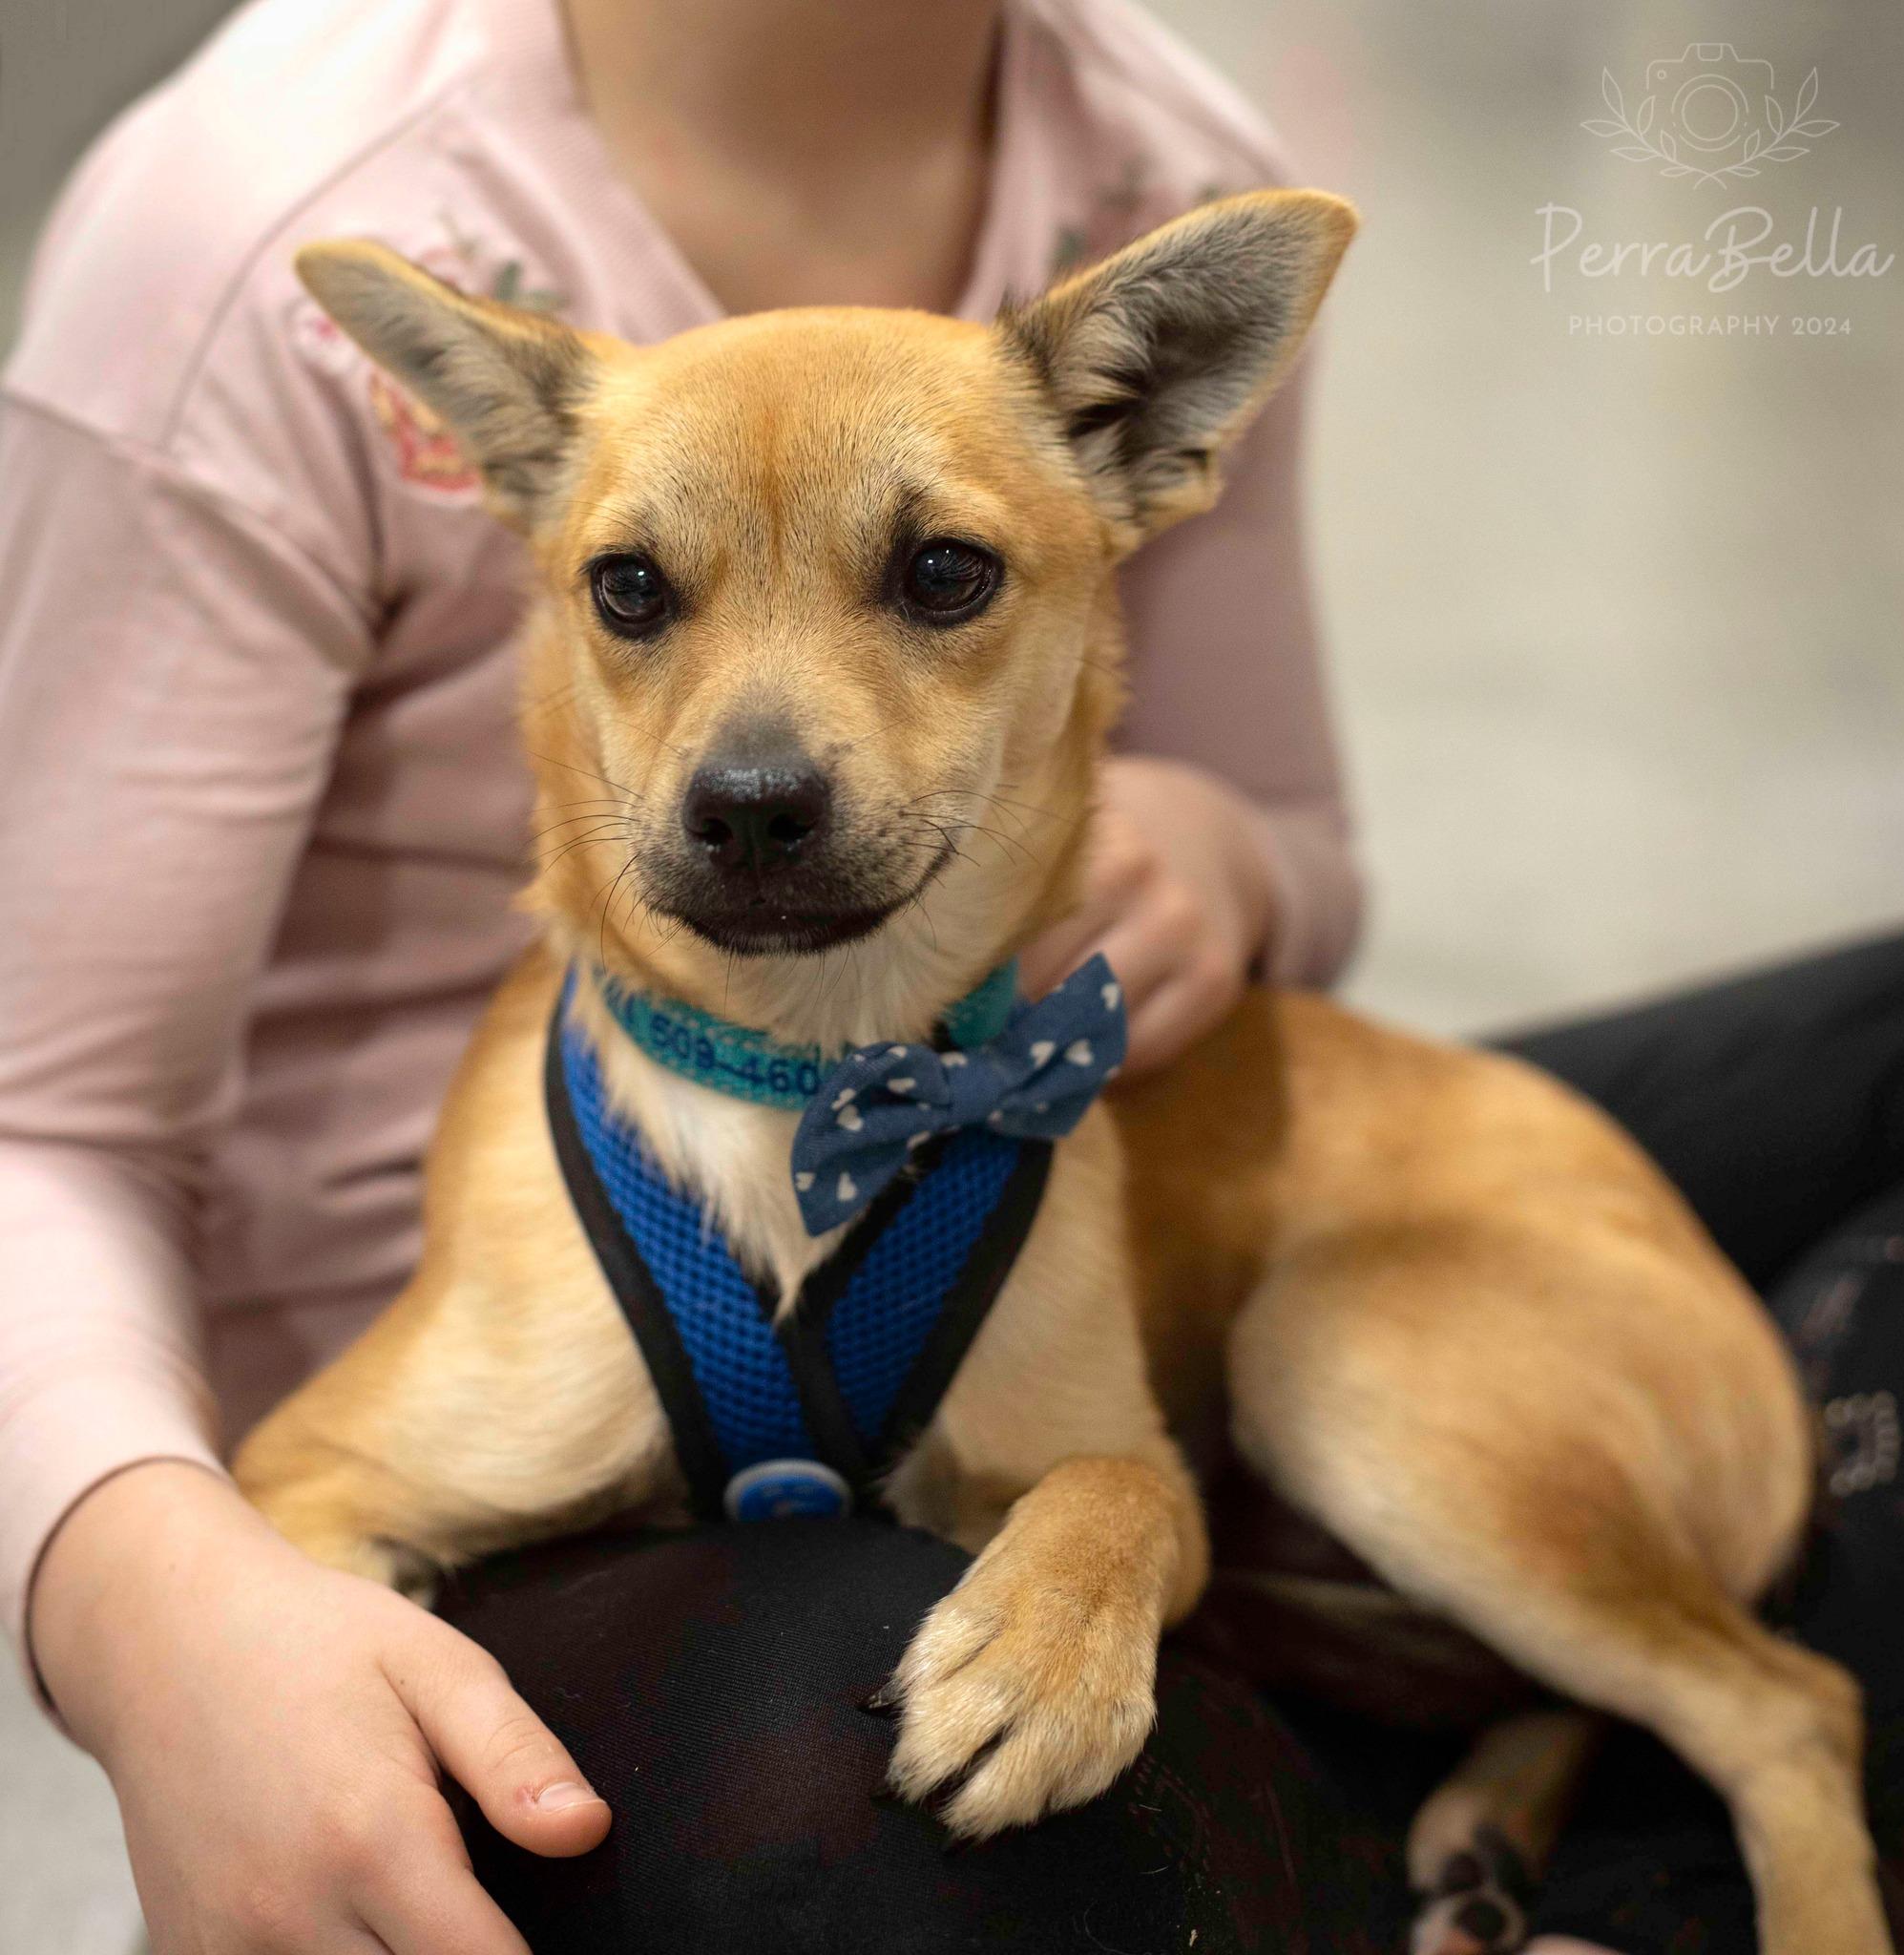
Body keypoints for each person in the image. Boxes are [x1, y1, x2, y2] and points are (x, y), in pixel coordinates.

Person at [1, 1, 1361, 1950]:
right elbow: (38, 1110)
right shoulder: (241, 229)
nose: (757, 770)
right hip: (526, 1334)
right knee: (890, 1800)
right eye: (642, 591)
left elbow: (1291, 831)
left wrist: (1224, 856)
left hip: (1015, 1157)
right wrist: (148, 1603)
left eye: (940, 577)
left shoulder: (1154, 166)